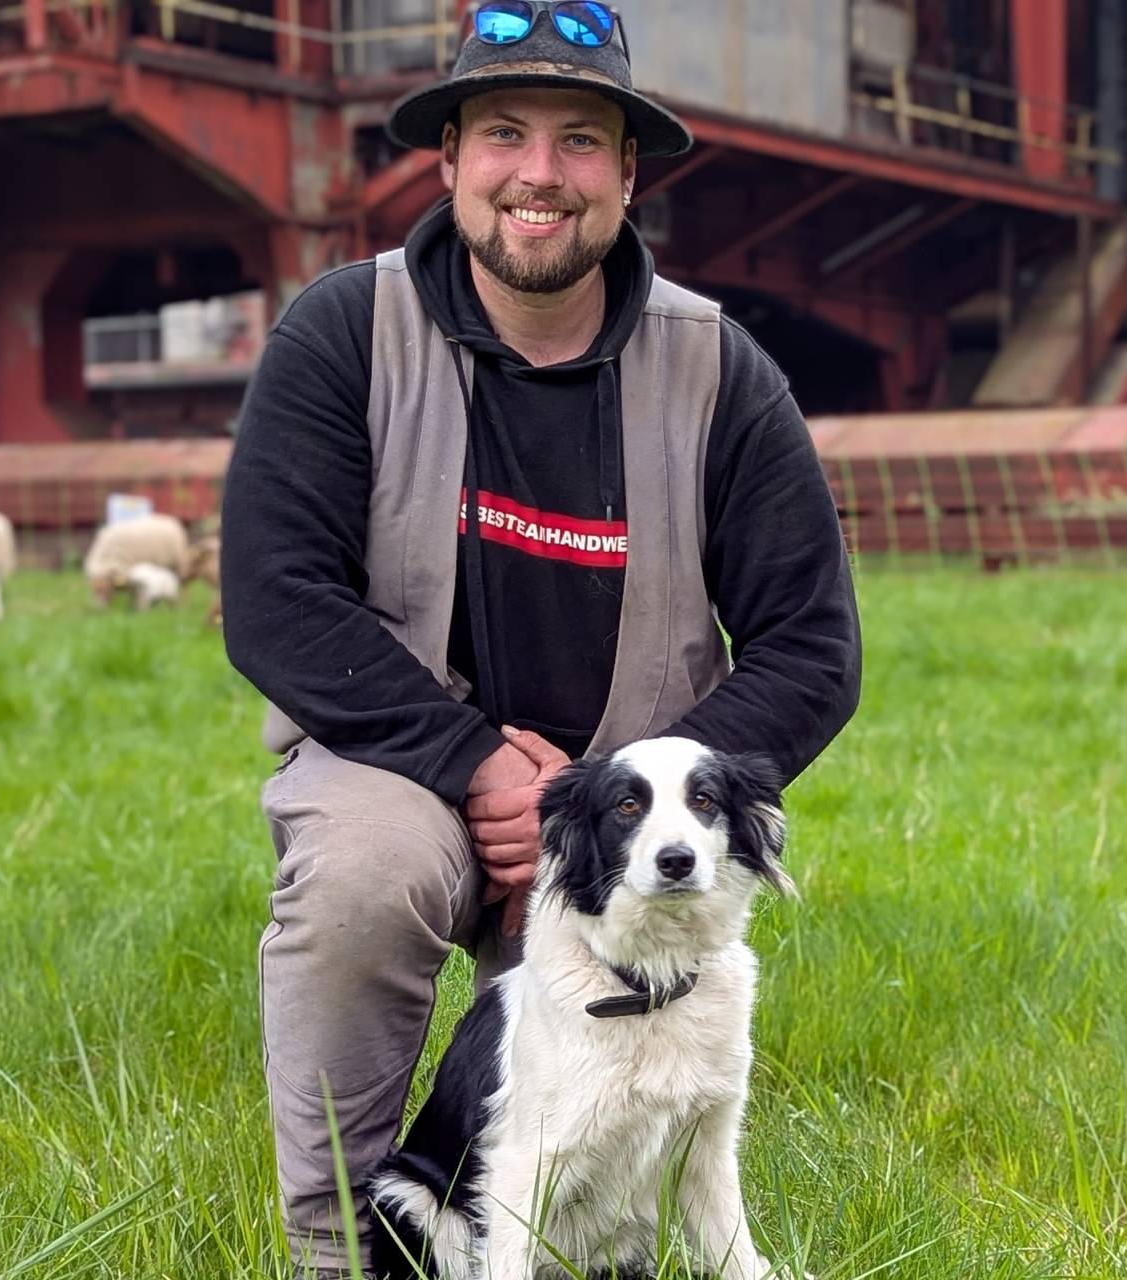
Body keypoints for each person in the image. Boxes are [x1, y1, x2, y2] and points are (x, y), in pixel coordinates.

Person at [218, 3, 863, 1274]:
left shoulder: (722, 370)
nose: (540, 174)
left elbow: (811, 643)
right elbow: (276, 596)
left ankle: (610, 1244)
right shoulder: (340, 335)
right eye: (504, 132)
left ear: (626, 175)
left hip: (626, 801)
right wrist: (477, 763)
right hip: (399, 769)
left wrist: (621, 791)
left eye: (580, 141)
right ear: (449, 157)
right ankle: (340, 1250)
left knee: (632, 1018)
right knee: (358, 883)